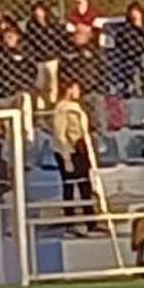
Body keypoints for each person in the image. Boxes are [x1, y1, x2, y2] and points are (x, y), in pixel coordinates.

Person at [52, 81, 95, 230]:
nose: (79, 91)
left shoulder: (76, 107)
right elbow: (60, 134)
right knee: (70, 185)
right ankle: (70, 221)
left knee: (85, 186)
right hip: (69, 150)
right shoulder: (62, 109)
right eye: (76, 88)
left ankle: (91, 221)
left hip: (80, 148)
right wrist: (66, 157)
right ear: (69, 89)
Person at [60, 24, 110, 133]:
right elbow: (63, 73)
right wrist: (70, 86)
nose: (77, 37)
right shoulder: (68, 53)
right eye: (76, 34)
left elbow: (103, 72)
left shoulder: (96, 52)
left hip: (94, 90)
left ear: (89, 36)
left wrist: (98, 86)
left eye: (81, 34)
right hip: (76, 92)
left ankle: (101, 137)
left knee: (98, 107)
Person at [22, 1, 65, 105]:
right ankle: (40, 103)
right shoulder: (32, 25)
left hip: (52, 58)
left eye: (40, 10)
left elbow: (58, 38)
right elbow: (31, 41)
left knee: (53, 82)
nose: (38, 13)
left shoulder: (52, 24)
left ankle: (52, 101)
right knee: (40, 84)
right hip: (39, 59)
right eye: (36, 10)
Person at [113, 2, 144, 98]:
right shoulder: (126, 27)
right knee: (135, 74)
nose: (134, 15)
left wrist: (140, 28)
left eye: (136, 12)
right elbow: (120, 40)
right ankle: (138, 93)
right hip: (131, 55)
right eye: (132, 13)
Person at [0, 28, 37, 104]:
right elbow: (3, 75)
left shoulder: (27, 56)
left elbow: (31, 73)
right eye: (5, 38)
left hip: (23, 90)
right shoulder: (1, 57)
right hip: (7, 93)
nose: (7, 40)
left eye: (10, 37)